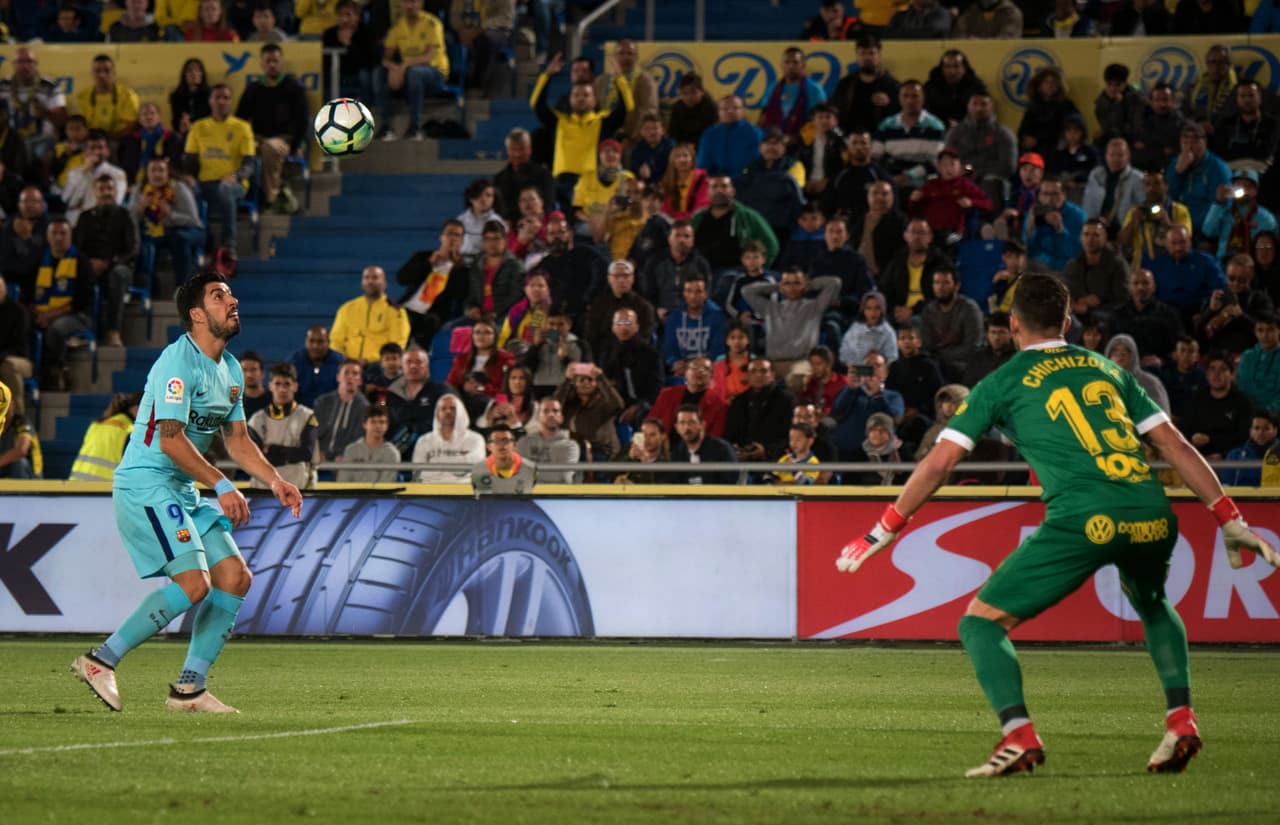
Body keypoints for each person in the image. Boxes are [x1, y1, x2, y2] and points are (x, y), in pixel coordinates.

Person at [835, 271, 1278, 777]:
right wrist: (1230, 516)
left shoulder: (999, 382)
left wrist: (884, 529)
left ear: (1014, 324)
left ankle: (1018, 735)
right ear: (1068, 321)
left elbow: (939, 463)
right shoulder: (1108, 370)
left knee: (980, 623)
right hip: (1152, 511)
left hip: (1083, 518)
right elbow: (1174, 445)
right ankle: (1181, 720)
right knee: (1153, 601)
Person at [71, 272, 304, 714]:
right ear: (197, 315)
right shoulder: (177, 363)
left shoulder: (230, 368)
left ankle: (189, 691)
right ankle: (100, 660)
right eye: (220, 296)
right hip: (148, 483)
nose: (233, 300)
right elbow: (171, 439)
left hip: (180, 487)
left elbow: (237, 440)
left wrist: (275, 480)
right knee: (195, 585)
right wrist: (221, 484)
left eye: (232, 293)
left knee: (235, 577)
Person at [530, 51, 633, 195]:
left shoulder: (603, 122)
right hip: (562, 183)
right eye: (576, 95)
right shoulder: (559, 121)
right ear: (570, 99)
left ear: (594, 99)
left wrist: (619, 79)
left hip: (592, 184)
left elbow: (627, 108)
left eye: (586, 95)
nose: (580, 98)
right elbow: (536, 104)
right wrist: (547, 75)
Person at [235, 44, 308, 214]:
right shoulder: (253, 88)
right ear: (261, 63)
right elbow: (240, 119)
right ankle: (243, 197)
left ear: (281, 62)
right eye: (268, 61)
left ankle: (269, 200)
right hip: (259, 138)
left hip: (285, 140)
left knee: (270, 147)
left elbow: (302, 121)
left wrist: (296, 147)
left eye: (275, 60)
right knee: (244, 149)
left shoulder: (294, 86)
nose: (272, 65)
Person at [183, 84, 255, 252]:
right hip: (206, 183)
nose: (222, 101)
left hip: (233, 184)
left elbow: (250, 163)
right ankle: (204, 242)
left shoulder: (242, 127)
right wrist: (189, 177)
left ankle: (229, 245)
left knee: (225, 188)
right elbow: (190, 160)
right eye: (218, 97)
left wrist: (237, 176)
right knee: (188, 189)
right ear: (210, 101)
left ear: (230, 102)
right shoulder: (198, 127)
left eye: (226, 98)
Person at [742, 268, 842, 377]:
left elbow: (834, 282)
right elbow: (746, 291)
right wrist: (776, 287)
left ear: (804, 285)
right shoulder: (770, 308)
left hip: (802, 363)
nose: (792, 287)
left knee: (796, 380)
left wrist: (809, 285)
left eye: (796, 283)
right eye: (787, 283)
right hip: (774, 363)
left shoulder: (814, 306)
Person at [374, 0, 450, 142]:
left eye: (413, 2)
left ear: (420, 3)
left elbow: (428, 57)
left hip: (435, 73)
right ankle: (385, 128)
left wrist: (403, 66)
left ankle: (415, 128)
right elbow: (386, 57)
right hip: (407, 72)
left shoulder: (432, 23)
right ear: (401, 5)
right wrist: (392, 69)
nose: (410, 6)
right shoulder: (398, 26)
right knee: (379, 73)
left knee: (415, 73)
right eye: (406, 2)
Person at [33, 218, 94, 391]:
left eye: (63, 233)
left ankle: (58, 371)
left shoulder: (81, 261)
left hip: (78, 316)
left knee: (56, 329)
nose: (58, 238)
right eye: (54, 233)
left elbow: (81, 302)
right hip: (43, 313)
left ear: (70, 236)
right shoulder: (39, 260)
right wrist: (37, 313)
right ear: (47, 236)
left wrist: (49, 315)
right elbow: (30, 293)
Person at [394, 221, 468, 348]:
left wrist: (457, 268)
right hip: (407, 308)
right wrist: (428, 264)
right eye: (449, 233)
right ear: (441, 237)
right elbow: (401, 279)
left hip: (432, 315)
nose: (453, 238)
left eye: (457, 235)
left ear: (462, 241)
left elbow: (459, 295)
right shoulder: (422, 256)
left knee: (429, 323)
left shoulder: (463, 270)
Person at [248, 362, 318, 489]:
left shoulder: (307, 416)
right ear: (270, 386)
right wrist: (289, 453)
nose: (282, 389)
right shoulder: (256, 420)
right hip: (263, 489)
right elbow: (254, 457)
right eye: (278, 384)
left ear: (295, 386)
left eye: (287, 384)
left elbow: (306, 453)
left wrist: (274, 450)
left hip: (298, 488)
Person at [692, 176, 780, 274]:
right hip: (700, 272)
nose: (719, 190)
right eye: (714, 187)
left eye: (724, 186)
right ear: (707, 192)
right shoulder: (698, 217)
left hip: (735, 272)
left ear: (733, 191)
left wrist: (757, 270)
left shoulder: (748, 216)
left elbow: (772, 245)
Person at [872, 80, 947, 190]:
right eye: (905, 96)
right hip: (890, 182)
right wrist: (888, 177)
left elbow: (936, 161)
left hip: (923, 184)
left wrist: (909, 175)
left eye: (915, 96)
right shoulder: (887, 125)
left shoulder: (935, 126)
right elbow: (875, 156)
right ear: (899, 98)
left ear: (923, 99)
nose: (910, 101)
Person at [1179, 352, 1254, 460]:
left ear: (1232, 374)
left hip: (1230, 460)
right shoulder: (1196, 400)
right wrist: (1192, 439)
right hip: (1196, 458)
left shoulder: (1242, 403)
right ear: (1207, 374)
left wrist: (1223, 455)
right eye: (1212, 369)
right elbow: (1183, 430)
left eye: (1222, 369)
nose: (1216, 374)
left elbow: (1244, 439)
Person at [908, 146, 992, 242]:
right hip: (930, 231)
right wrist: (913, 200)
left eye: (952, 164)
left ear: (960, 167)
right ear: (939, 167)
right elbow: (914, 210)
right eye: (944, 165)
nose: (948, 168)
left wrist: (971, 202)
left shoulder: (965, 185)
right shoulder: (930, 185)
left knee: (951, 242)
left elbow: (988, 203)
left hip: (954, 232)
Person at [0, 47, 69, 164]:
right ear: (13, 64)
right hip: (10, 142)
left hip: (41, 141)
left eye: (29, 61)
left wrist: (45, 113)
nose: (25, 66)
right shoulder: (3, 86)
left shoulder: (50, 87)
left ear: (36, 64)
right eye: (20, 62)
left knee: (46, 147)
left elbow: (63, 120)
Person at [1196, 255, 1274, 357]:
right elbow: (1198, 331)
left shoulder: (1260, 300)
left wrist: (1242, 316)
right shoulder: (1218, 297)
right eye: (1231, 278)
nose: (1236, 283)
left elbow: (1268, 334)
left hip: (1248, 355)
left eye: (1242, 280)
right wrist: (1210, 310)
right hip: (1216, 355)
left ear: (1251, 277)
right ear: (1225, 276)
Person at [830, 351, 903, 460]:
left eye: (877, 365)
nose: (872, 369)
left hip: (873, 453)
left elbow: (895, 419)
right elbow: (836, 413)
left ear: (886, 372)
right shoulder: (851, 390)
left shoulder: (893, 396)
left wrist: (878, 394)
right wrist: (850, 388)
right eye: (868, 366)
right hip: (843, 449)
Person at [385, 344, 454, 459]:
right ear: (402, 366)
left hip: (435, 453)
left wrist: (413, 428)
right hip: (398, 455)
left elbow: (448, 422)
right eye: (408, 362)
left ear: (427, 366)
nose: (413, 366)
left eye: (418, 362)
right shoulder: (392, 393)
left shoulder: (441, 391)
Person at [329, 266, 409, 364]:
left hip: (379, 366)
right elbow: (336, 341)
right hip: (348, 365)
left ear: (384, 283)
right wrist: (344, 360)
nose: (370, 281)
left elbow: (397, 345)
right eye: (366, 278)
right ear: (362, 283)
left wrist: (370, 360)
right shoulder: (347, 308)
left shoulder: (396, 311)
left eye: (375, 278)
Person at [1116, 169, 1192, 272]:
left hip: (1171, 267)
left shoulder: (1179, 210)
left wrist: (1168, 224)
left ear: (1166, 186)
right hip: (1142, 269)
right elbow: (1122, 242)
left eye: (1157, 183)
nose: (1152, 188)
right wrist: (1133, 222)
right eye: (1147, 184)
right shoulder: (1135, 211)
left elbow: (1186, 238)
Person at [598, 308, 663, 425]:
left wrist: (639, 405)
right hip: (616, 403)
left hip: (644, 403)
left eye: (628, 323)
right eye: (619, 323)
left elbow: (656, 387)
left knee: (642, 417)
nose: (624, 328)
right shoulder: (607, 354)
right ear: (613, 327)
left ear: (636, 327)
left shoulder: (650, 354)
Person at [723, 358, 795, 462]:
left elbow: (791, 436)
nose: (758, 375)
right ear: (747, 375)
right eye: (753, 371)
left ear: (773, 375)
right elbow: (730, 434)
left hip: (776, 459)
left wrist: (766, 451)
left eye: (763, 371)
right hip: (742, 459)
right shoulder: (738, 401)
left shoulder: (787, 400)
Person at [919, 266, 984, 381]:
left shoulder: (969, 309)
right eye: (937, 283)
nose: (940, 287)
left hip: (963, 362)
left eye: (946, 283)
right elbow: (926, 345)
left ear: (957, 285)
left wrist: (942, 357)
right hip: (936, 362)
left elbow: (973, 346)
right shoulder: (929, 310)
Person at [1150, 225, 1227, 321]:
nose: (1178, 248)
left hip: (1198, 315)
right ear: (1166, 244)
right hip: (1165, 317)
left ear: (1190, 241)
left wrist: (1206, 312)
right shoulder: (1157, 265)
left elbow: (1219, 289)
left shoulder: (1206, 261)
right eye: (1174, 243)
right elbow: (1152, 295)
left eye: (1182, 242)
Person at [1110, 268, 1184, 366]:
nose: (1140, 287)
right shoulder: (1117, 314)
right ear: (1129, 288)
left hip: (1158, 369)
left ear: (1153, 287)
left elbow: (1179, 348)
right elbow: (1110, 346)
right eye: (1136, 283)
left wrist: (1162, 360)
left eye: (1145, 283)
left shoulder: (1168, 314)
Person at [1166, 123, 1232, 231]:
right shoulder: (1175, 164)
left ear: (1205, 143)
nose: (1189, 147)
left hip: (1204, 229)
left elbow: (1219, 206)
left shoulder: (1218, 168)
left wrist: (1189, 225)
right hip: (1176, 226)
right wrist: (1177, 173)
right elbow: (1168, 197)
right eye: (1185, 142)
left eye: (1195, 142)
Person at [1202, 170, 1278, 262]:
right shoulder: (1223, 211)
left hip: (1251, 265)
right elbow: (1208, 231)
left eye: (1247, 186)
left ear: (1255, 191)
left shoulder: (1265, 217)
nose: (1243, 189)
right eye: (1238, 185)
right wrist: (1218, 203)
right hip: (1224, 263)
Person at [758, 47, 827, 148]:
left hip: (803, 146)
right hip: (774, 145)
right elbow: (763, 117)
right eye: (787, 62)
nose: (791, 66)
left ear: (803, 65)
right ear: (782, 65)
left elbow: (821, 121)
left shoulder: (814, 89)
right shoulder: (773, 88)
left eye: (795, 62)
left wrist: (798, 138)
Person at [831, 34, 899, 136]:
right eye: (862, 53)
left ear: (879, 56)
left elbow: (902, 116)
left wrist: (889, 103)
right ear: (856, 57)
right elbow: (835, 112)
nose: (867, 58)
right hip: (850, 141)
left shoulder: (892, 85)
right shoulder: (845, 84)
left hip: (882, 140)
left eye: (871, 53)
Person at [593, 38, 658, 143]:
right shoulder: (600, 81)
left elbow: (649, 111)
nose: (626, 57)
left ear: (637, 57)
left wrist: (634, 138)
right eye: (621, 53)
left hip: (632, 139)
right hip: (603, 138)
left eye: (630, 54)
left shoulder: (645, 81)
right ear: (614, 56)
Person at [554, 363, 624, 460]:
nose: (586, 383)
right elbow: (555, 405)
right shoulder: (570, 404)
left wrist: (601, 378)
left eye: (590, 380)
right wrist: (567, 380)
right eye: (582, 379)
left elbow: (618, 405)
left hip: (600, 451)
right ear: (575, 384)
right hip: (574, 450)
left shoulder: (604, 403)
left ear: (597, 384)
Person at [586, 259, 656, 356]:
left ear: (632, 279)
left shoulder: (644, 307)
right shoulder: (599, 305)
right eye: (617, 276)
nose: (621, 280)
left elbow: (644, 338)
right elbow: (591, 337)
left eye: (626, 276)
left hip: (634, 356)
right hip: (603, 356)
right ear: (609, 279)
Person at [1063, 219, 1129, 320]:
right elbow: (1066, 294)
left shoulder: (1117, 265)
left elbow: (1122, 300)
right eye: (1086, 234)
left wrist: (1095, 305)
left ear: (1105, 237)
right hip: (1076, 315)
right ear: (1081, 237)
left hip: (1107, 315)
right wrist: (1076, 304)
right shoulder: (1072, 266)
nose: (1090, 240)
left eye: (1096, 235)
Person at [411, 393, 485, 483]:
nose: (448, 412)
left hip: (465, 491)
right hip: (430, 490)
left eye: (453, 408)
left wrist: (434, 464)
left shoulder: (476, 439)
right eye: (443, 409)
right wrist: (458, 465)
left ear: (461, 412)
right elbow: (418, 472)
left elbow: (476, 468)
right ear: (437, 414)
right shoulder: (423, 441)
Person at [663, 275, 726, 379]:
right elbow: (669, 348)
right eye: (689, 291)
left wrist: (697, 367)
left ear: (706, 294)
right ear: (684, 293)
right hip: (681, 371)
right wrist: (675, 362)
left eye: (698, 291)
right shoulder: (674, 317)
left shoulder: (717, 316)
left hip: (708, 370)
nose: (693, 296)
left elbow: (718, 351)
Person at [69, 392, 142, 481]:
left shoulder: (96, 425)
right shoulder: (130, 431)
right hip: (103, 489)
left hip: (75, 486)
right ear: (135, 409)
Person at [61, 130, 128, 226]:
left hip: (104, 221)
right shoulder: (74, 173)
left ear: (107, 151)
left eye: (100, 148)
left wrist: (81, 204)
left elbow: (116, 201)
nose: (96, 152)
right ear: (85, 151)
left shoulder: (118, 174)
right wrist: (84, 173)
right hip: (76, 222)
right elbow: (66, 199)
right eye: (92, 148)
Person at [650, 355, 727, 438]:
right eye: (695, 367)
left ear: (711, 376)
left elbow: (715, 437)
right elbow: (651, 422)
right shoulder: (667, 394)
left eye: (706, 369)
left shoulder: (719, 405)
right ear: (685, 373)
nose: (700, 371)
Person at [1082, 137, 1145, 233]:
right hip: (1097, 228)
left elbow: (1142, 206)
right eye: (1112, 155)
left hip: (1125, 229)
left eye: (1120, 155)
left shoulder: (1138, 178)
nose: (1116, 159)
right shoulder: (1096, 175)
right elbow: (1088, 202)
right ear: (1106, 156)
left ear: (1128, 156)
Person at [494, 128, 556, 224]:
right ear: (507, 151)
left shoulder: (544, 175)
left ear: (530, 149)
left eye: (522, 149)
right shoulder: (498, 179)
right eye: (513, 149)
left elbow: (549, 206)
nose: (517, 154)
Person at [322, 0, 379, 102]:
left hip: (357, 73)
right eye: (340, 15)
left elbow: (368, 61)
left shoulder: (367, 33)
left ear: (357, 16)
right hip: (335, 74)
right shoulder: (329, 33)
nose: (344, 19)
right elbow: (325, 62)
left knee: (364, 75)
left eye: (348, 15)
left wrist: (348, 44)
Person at [313, 360, 369, 464]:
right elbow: (314, 431)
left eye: (355, 374)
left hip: (347, 461)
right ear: (338, 377)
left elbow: (359, 437)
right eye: (346, 372)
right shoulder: (322, 402)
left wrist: (344, 455)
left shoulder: (364, 407)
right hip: (319, 457)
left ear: (360, 380)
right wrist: (317, 451)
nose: (350, 377)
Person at [696, 95, 763, 181]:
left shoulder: (755, 133)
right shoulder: (709, 134)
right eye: (725, 108)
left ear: (742, 111)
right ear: (718, 112)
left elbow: (755, 165)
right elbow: (702, 166)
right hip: (715, 184)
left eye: (735, 108)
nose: (730, 111)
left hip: (746, 182)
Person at [118, 102, 186, 187]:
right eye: (144, 114)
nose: (149, 117)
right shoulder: (130, 140)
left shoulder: (172, 138)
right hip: (136, 184)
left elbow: (177, 163)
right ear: (140, 119)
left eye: (152, 113)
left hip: (167, 183)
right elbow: (126, 165)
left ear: (158, 117)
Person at [76, 54, 141, 142]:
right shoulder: (83, 97)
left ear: (114, 73)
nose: (102, 75)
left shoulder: (127, 95)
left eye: (107, 71)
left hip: (119, 140)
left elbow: (131, 126)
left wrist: (111, 139)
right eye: (97, 71)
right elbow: (80, 125)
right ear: (92, 73)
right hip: (90, 141)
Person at [670, 404, 739, 485]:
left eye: (692, 422)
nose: (687, 427)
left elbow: (730, 482)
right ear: (676, 428)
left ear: (702, 425)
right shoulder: (677, 453)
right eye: (682, 423)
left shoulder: (722, 449)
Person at [1105, 333, 1172, 414]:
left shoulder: (1150, 384)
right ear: (1108, 355)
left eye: (1127, 350)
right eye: (1115, 350)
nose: (1120, 354)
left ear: (1134, 356)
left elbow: (1161, 418)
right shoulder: (1100, 383)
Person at [516, 398, 580, 483]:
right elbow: (518, 473)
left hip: (557, 494)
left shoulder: (571, 446)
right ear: (538, 417)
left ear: (561, 418)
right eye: (546, 411)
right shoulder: (524, 442)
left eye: (555, 411)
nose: (551, 415)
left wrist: (530, 471)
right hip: (529, 493)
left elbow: (562, 476)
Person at [336, 406, 401, 483]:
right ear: (365, 424)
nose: (378, 426)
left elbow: (386, 484)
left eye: (382, 422)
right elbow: (343, 481)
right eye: (373, 422)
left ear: (387, 426)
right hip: (352, 495)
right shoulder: (351, 450)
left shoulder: (392, 453)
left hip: (380, 495)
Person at [1131, 83, 1184, 173]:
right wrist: (1161, 150)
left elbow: (1175, 152)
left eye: (1165, 99)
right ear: (1151, 102)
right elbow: (1136, 148)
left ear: (1173, 101)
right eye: (1157, 100)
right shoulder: (1142, 119)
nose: (1162, 104)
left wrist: (1149, 147)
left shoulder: (1180, 123)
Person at [471, 424, 538, 493]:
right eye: (497, 441)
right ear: (488, 446)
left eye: (506, 440)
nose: (502, 445)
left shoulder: (530, 469)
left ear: (514, 445)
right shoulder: (477, 469)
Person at [1236, 312, 1280, 412]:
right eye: (1260, 330)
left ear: (1279, 331)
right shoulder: (1247, 356)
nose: (1265, 335)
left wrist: (1266, 413)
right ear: (1255, 332)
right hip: (1246, 413)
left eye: (1270, 330)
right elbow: (1241, 387)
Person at [840, 291, 897, 369]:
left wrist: (879, 361)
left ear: (882, 309)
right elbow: (844, 353)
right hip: (855, 372)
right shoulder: (855, 328)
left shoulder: (888, 332)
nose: (873, 312)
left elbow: (892, 359)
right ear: (863, 310)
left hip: (877, 375)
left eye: (877, 308)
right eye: (868, 308)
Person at [1222, 411, 1279, 487]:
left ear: (1275, 431)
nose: (1260, 433)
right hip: (1242, 498)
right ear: (1250, 431)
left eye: (1266, 428)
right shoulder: (1235, 455)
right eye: (1256, 428)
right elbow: (1226, 486)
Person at [667, 73, 719, 148]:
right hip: (682, 149)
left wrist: (694, 146)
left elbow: (712, 135)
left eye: (693, 92)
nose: (689, 97)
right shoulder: (677, 108)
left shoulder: (711, 108)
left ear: (702, 92)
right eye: (685, 93)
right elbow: (672, 134)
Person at [169, 59, 211, 137]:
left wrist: (192, 126)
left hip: (205, 133)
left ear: (202, 74)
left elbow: (210, 118)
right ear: (184, 75)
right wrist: (181, 124)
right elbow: (175, 121)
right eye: (190, 70)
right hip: (184, 133)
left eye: (197, 70)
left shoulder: (210, 95)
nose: (194, 73)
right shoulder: (176, 96)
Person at [953, 0, 1023, 38]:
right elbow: (958, 34)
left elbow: (1008, 40)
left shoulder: (1011, 13)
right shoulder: (971, 12)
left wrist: (980, 43)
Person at [238, 351, 270, 419]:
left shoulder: (274, 400)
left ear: (262, 373)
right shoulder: (234, 403)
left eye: (253, 370)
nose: (249, 375)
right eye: (244, 370)